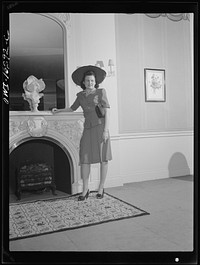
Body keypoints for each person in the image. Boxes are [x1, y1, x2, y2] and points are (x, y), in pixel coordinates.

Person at [52, 65, 112, 201]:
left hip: (101, 128)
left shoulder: (101, 92)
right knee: (84, 159)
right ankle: (85, 189)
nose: (90, 83)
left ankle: (101, 187)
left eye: (92, 80)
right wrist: (59, 110)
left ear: (95, 81)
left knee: (104, 159)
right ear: (83, 82)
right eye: (87, 81)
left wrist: (106, 131)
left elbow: (107, 112)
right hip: (87, 129)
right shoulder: (80, 96)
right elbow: (72, 109)